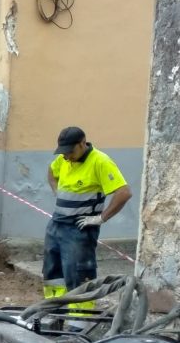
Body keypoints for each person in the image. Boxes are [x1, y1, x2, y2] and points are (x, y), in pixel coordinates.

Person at [42, 126, 132, 307]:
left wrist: (101, 218)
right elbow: (52, 171)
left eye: (70, 151)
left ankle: (80, 319)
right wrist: (57, 191)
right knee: (53, 272)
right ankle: (52, 312)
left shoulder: (100, 161)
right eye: (63, 152)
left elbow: (124, 192)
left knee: (78, 275)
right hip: (57, 224)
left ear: (82, 144)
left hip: (79, 229)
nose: (66, 156)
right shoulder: (64, 159)